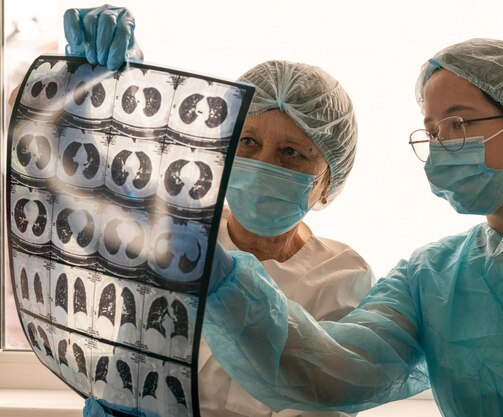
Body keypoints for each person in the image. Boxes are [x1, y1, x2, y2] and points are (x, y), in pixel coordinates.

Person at [201, 38, 503, 417]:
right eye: (431, 132)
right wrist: (229, 286)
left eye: (458, 124)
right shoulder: (430, 276)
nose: (441, 146)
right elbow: (331, 371)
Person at [61, 6, 375, 417]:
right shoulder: (172, 229)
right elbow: (79, 172)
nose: (265, 164)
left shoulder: (344, 277)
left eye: (292, 153)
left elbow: (322, 395)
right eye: (247, 143)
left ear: (328, 182)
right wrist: (103, 94)